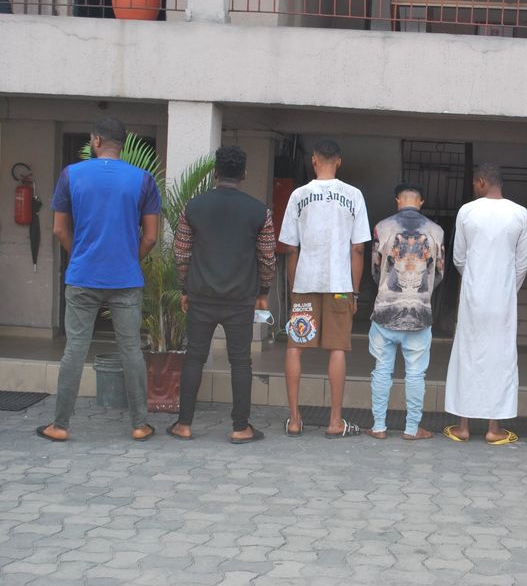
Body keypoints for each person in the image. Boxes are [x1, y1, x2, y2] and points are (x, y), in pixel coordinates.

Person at [37, 117, 161, 442]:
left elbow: (58, 229)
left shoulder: (71, 174)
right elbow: (151, 237)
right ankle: (139, 424)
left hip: (83, 276)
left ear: (95, 140)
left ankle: (60, 425)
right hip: (126, 278)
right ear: (124, 143)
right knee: (131, 349)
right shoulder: (143, 179)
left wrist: (79, 253)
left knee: (75, 348)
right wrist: (129, 259)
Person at [168, 146, 276, 444]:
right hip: (240, 299)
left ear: (215, 172)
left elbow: (181, 253)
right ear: (244, 174)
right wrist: (263, 291)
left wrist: (185, 288)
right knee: (240, 361)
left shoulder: (193, 207)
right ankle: (240, 427)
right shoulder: (260, 212)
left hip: (201, 296)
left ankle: (184, 425)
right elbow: (267, 258)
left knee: (194, 358)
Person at [278, 140, 371, 438]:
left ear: (314, 161)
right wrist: (354, 292)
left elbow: (290, 249)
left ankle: (294, 420)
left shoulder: (298, 195)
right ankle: (335, 422)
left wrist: (293, 289)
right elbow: (358, 249)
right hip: (340, 286)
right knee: (338, 348)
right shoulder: (354, 195)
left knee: (295, 346)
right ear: (339, 161)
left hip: (305, 284)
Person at [443, 163, 527, 444]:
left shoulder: (467, 211)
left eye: (474, 183)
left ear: (481, 181)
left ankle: (463, 427)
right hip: (503, 298)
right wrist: (507, 290)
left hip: (473, 296)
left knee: (467, 354)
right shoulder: (520, 213)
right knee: (501, 357)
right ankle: (494, 428)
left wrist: (474, 281)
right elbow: (522, 263)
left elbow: (459, 258)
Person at [367, 183, 445, 441]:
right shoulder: (436, 231)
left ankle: (379, 426)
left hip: (385, 311)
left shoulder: (382, 227)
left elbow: (375, 270)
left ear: (397, 200)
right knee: (416, 373)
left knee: (381, 370)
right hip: (419, 313)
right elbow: (440, 272)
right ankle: (412, 429)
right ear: (420, 202)